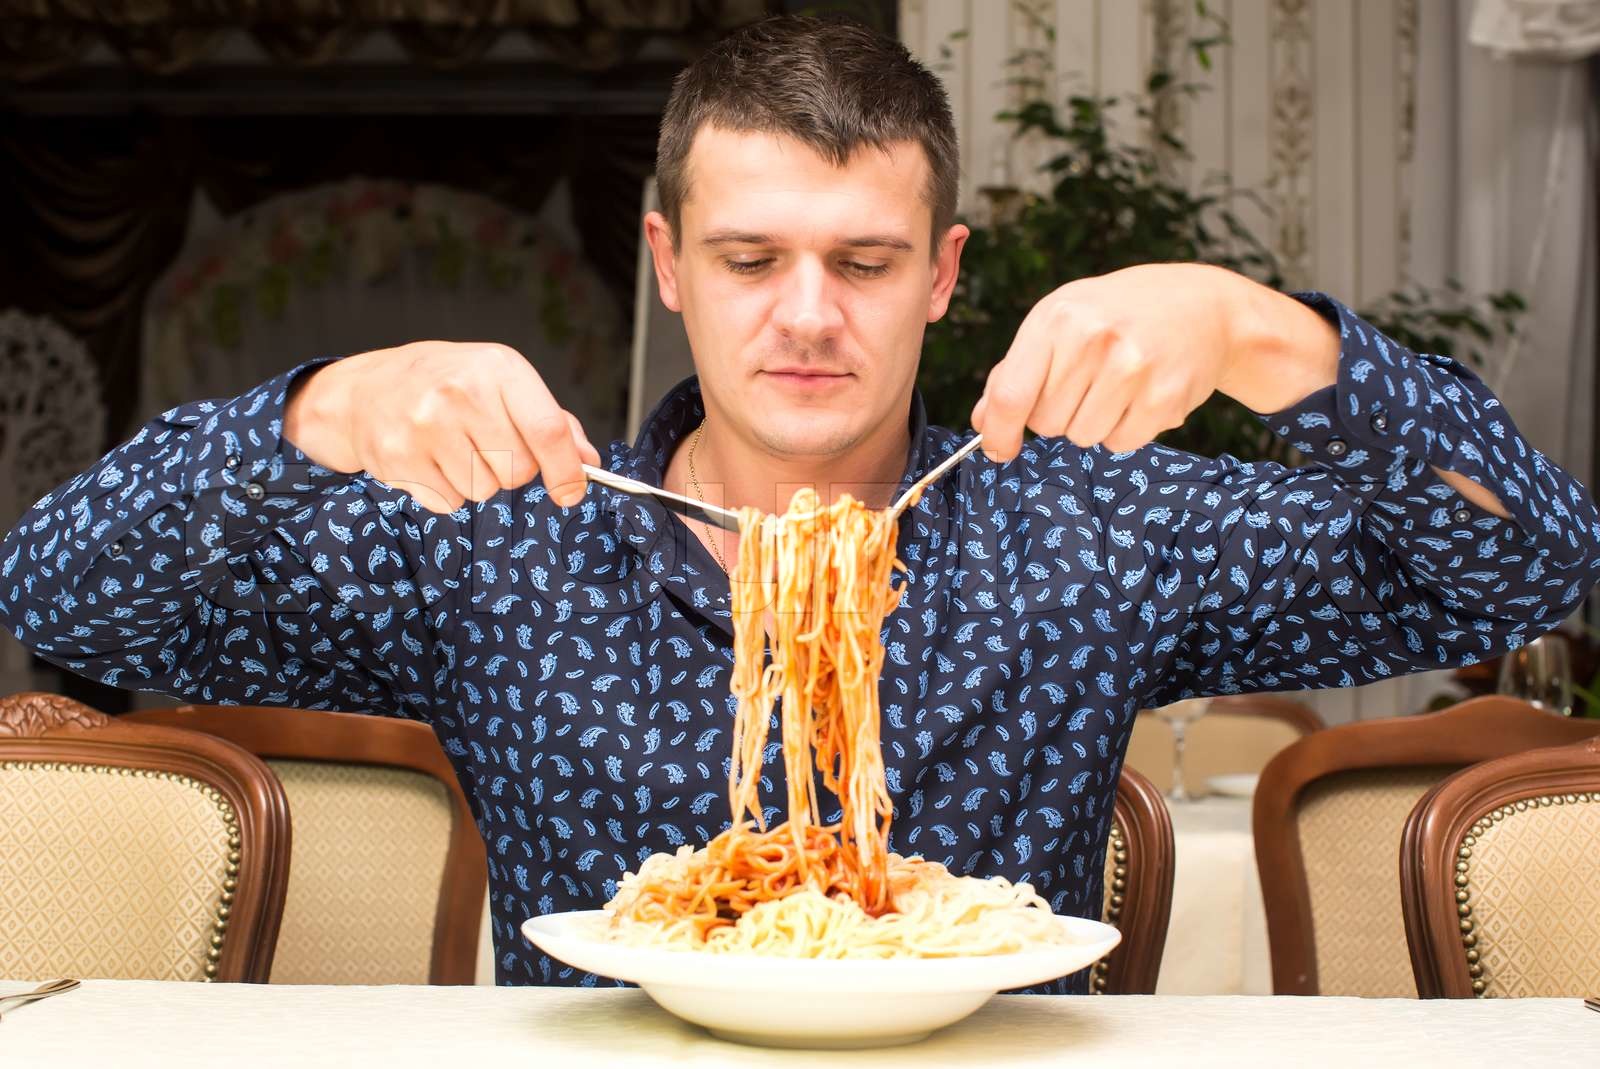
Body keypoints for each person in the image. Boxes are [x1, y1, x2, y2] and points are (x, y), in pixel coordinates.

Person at [2, 16, 1596, 993]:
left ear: (945, 280)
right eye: (754, 260)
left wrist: (1273, 338)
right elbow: (63, 590)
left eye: (866, 261)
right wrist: (315, 411)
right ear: (670, 267)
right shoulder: (507, 535)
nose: (809, 314)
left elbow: (1527, 558)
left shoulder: (1084, 529)